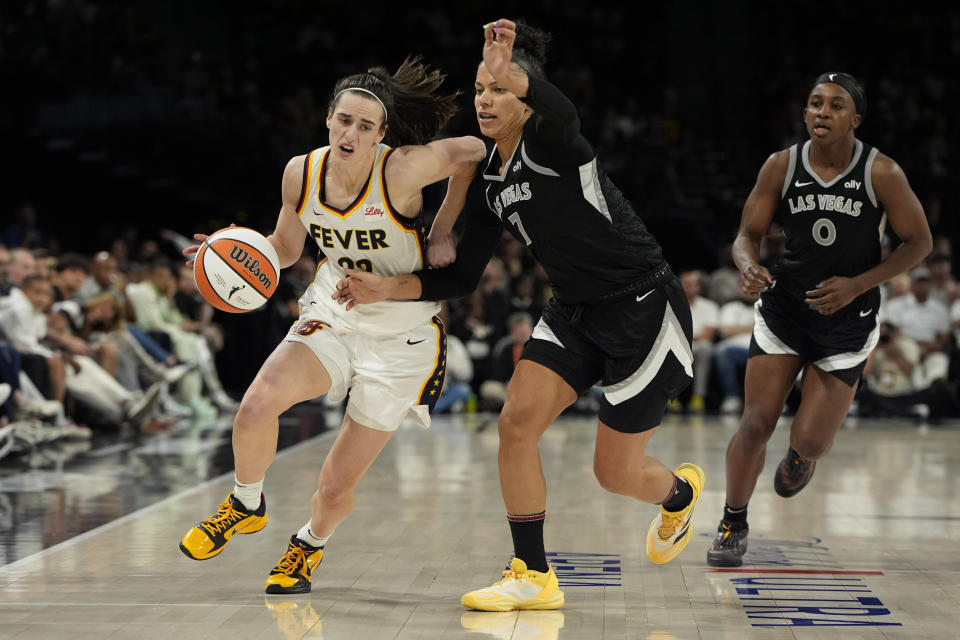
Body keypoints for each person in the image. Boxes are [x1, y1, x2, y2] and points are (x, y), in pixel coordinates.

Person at [333, 19, 704, 611]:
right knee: (515, 424)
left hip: (643, 308)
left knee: (614, 474)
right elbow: (458, 278)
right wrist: (387, 287)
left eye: (500, 88)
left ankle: (679, 495)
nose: (485, 98)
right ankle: (532, 572)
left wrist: (516, 72)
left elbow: (565, 113)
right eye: (480, 88)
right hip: (574, 310)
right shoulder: (486, 179)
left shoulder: (554, 141)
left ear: (527, 98)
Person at [177, 57, 487, 595]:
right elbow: (285, 248)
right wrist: (232, 250)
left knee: (336, 484)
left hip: (402, 336)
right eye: (344, 120)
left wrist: (441, 229)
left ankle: (307, 547)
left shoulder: (403, 170)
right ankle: (246, 501)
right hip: (335, 311)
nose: (352, 132)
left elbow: (474, 153)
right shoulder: (301, 172)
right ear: (328, 119)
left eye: (366, 126)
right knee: (255, 405)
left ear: (381, 134)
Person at [705, 72, 932, 566]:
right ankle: (732, 521)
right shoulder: (781, 166)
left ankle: (802, 456)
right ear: (804, 114)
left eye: (835, 105)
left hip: (848, 318)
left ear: (856, 118)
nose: (822, 112)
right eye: (814, 104)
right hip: (787, 308)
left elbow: (920, 243)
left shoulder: (882, 172)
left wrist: (859, 283)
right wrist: (749, 267)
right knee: (756, 422)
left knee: (810, 437)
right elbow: (747, 235)